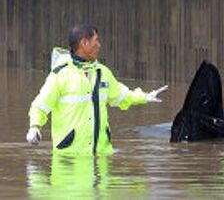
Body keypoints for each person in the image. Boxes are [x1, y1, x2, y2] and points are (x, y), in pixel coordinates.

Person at [26, 24, 168, 155]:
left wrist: (145, 97)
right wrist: (35, 127)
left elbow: (121, 96)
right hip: (69, 156)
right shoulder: (60, 75)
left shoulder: (102, 72)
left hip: (101, 155)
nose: (99, 45)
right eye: (96, 41)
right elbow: (40, 106)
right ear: (84, 43)